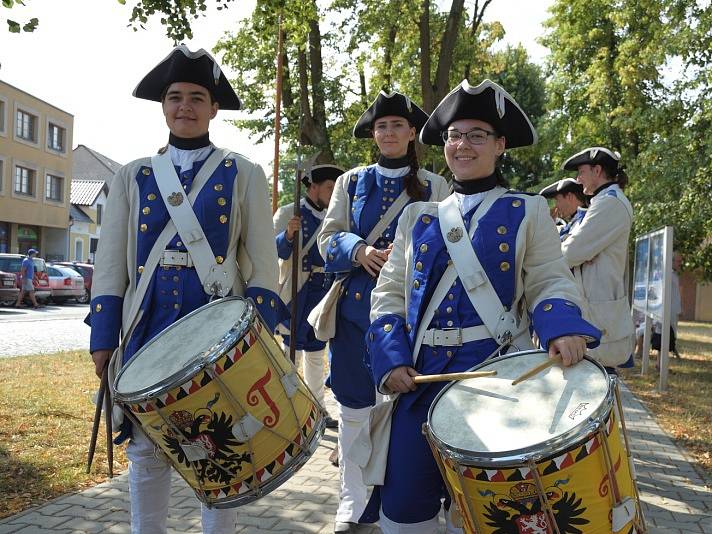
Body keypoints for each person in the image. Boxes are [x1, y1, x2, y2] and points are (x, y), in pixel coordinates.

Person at [363, 79, 601, 533]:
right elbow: (389, 295)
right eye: (455, 136)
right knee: (403, 513)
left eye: (476, 136)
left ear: (500, 145)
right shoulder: (418, 216)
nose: (462, 145)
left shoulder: (527, 209)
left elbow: (550, 278)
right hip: (420, 381)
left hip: (496, 383)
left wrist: (562, 327)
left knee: (485, 515)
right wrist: (390, 358)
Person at [88, 45, 280, 534]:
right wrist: (103, 337)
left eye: (197, 97)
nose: (185, 106)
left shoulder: (244, 172)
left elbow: (260, 264)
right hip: (147, 324)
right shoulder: (134, 175)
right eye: (175, 97)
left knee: (224, 453)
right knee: (147, 449)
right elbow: (110, 266)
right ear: (163, 106)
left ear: (214, 108)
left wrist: (261, 338)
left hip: (215, 328)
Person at [315, 90, 449, 533]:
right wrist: (360, 250)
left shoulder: (436, 185)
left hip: (412, 321)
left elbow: (452, 248)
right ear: (373, 135)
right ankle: (352, 503)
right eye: (381, 126)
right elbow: (327, 239)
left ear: (413, 133)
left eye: (397, 125)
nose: (389, 132)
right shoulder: (350, 182)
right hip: (355, 319)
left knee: (406, 414)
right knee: (354, 412)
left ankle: (399, 501)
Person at [273, 164, 344, 429]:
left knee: (316, 352)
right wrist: (288, 234)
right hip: (297, 291)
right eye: (329, 187)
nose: (333, 192)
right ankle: (288, 406)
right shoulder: (289, 212)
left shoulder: (334, 215)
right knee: (290, 353)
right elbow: (272, 251)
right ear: (313, 187)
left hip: (322, 289)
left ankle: (318, 409)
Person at [560, 146, 635, 370]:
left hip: (599, 315)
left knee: (598, 385)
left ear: (597, 170)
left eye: (581, 172)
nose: (578, 179)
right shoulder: (603, 201)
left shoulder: (609, 203)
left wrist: (576, 254)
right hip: (594, 309)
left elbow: (570, 253)